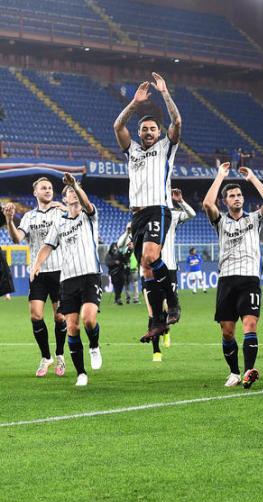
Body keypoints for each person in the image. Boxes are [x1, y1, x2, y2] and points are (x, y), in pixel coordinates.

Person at [113, 72, 182, 341]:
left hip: (158, 208)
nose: (149, 132)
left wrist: (164, 94)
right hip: (137, 215)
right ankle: (156, 321)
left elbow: (177, 120)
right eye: (145, 129)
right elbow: (118, 127)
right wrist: (134, 103)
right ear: (140, 132)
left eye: (153, 128)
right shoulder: (132, 150)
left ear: (159, 132)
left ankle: (173, 303)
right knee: (146, 268)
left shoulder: (167, 146)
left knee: (151, 258)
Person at [203, 164, 263, 388]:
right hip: (226, 280)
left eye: (239, 194)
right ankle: (234, 372)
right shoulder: (220, 221)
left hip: (249, 280)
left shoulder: (254, 219)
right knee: (227, 331)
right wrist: (220, 176)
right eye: (232, 195)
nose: (237, 198)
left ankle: (248, 372)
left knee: (250, 325)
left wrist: (252, 177)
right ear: (225, 201)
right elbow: (207, 203)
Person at [31, 174, 103, 387]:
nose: (73, 193)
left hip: (90, 274)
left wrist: (74, 184)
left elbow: (87, 203)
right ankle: (81, 373)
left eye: (75, 191)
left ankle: (94, 346)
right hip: (68, 279)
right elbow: (47, 246)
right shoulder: (59, 223)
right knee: (72, 326)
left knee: (88, 319)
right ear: (64, 200)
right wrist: (36, 264)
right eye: (69, 192)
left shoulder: (89, 216)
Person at [3, 178, 68, 377]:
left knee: (59, 317)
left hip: (60, 271)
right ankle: (46, 357)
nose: (48, 190)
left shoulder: (61, 212)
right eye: (43, 188)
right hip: (37, 272)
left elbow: (79, 219)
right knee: (35, 315)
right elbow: (16, 239)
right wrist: (9, 219)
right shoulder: (29, 217)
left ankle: (60, 355)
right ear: (35, 193)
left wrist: (65, 206)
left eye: (50, 188)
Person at [143, 188, 195, 360]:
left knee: (165, 306)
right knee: (152, 311)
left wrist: (180, 201)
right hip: (150, 270)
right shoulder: (146, 215)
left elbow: (192, 214)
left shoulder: (171, 215)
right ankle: (156, 351)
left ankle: (166, 330)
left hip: (169, 268)